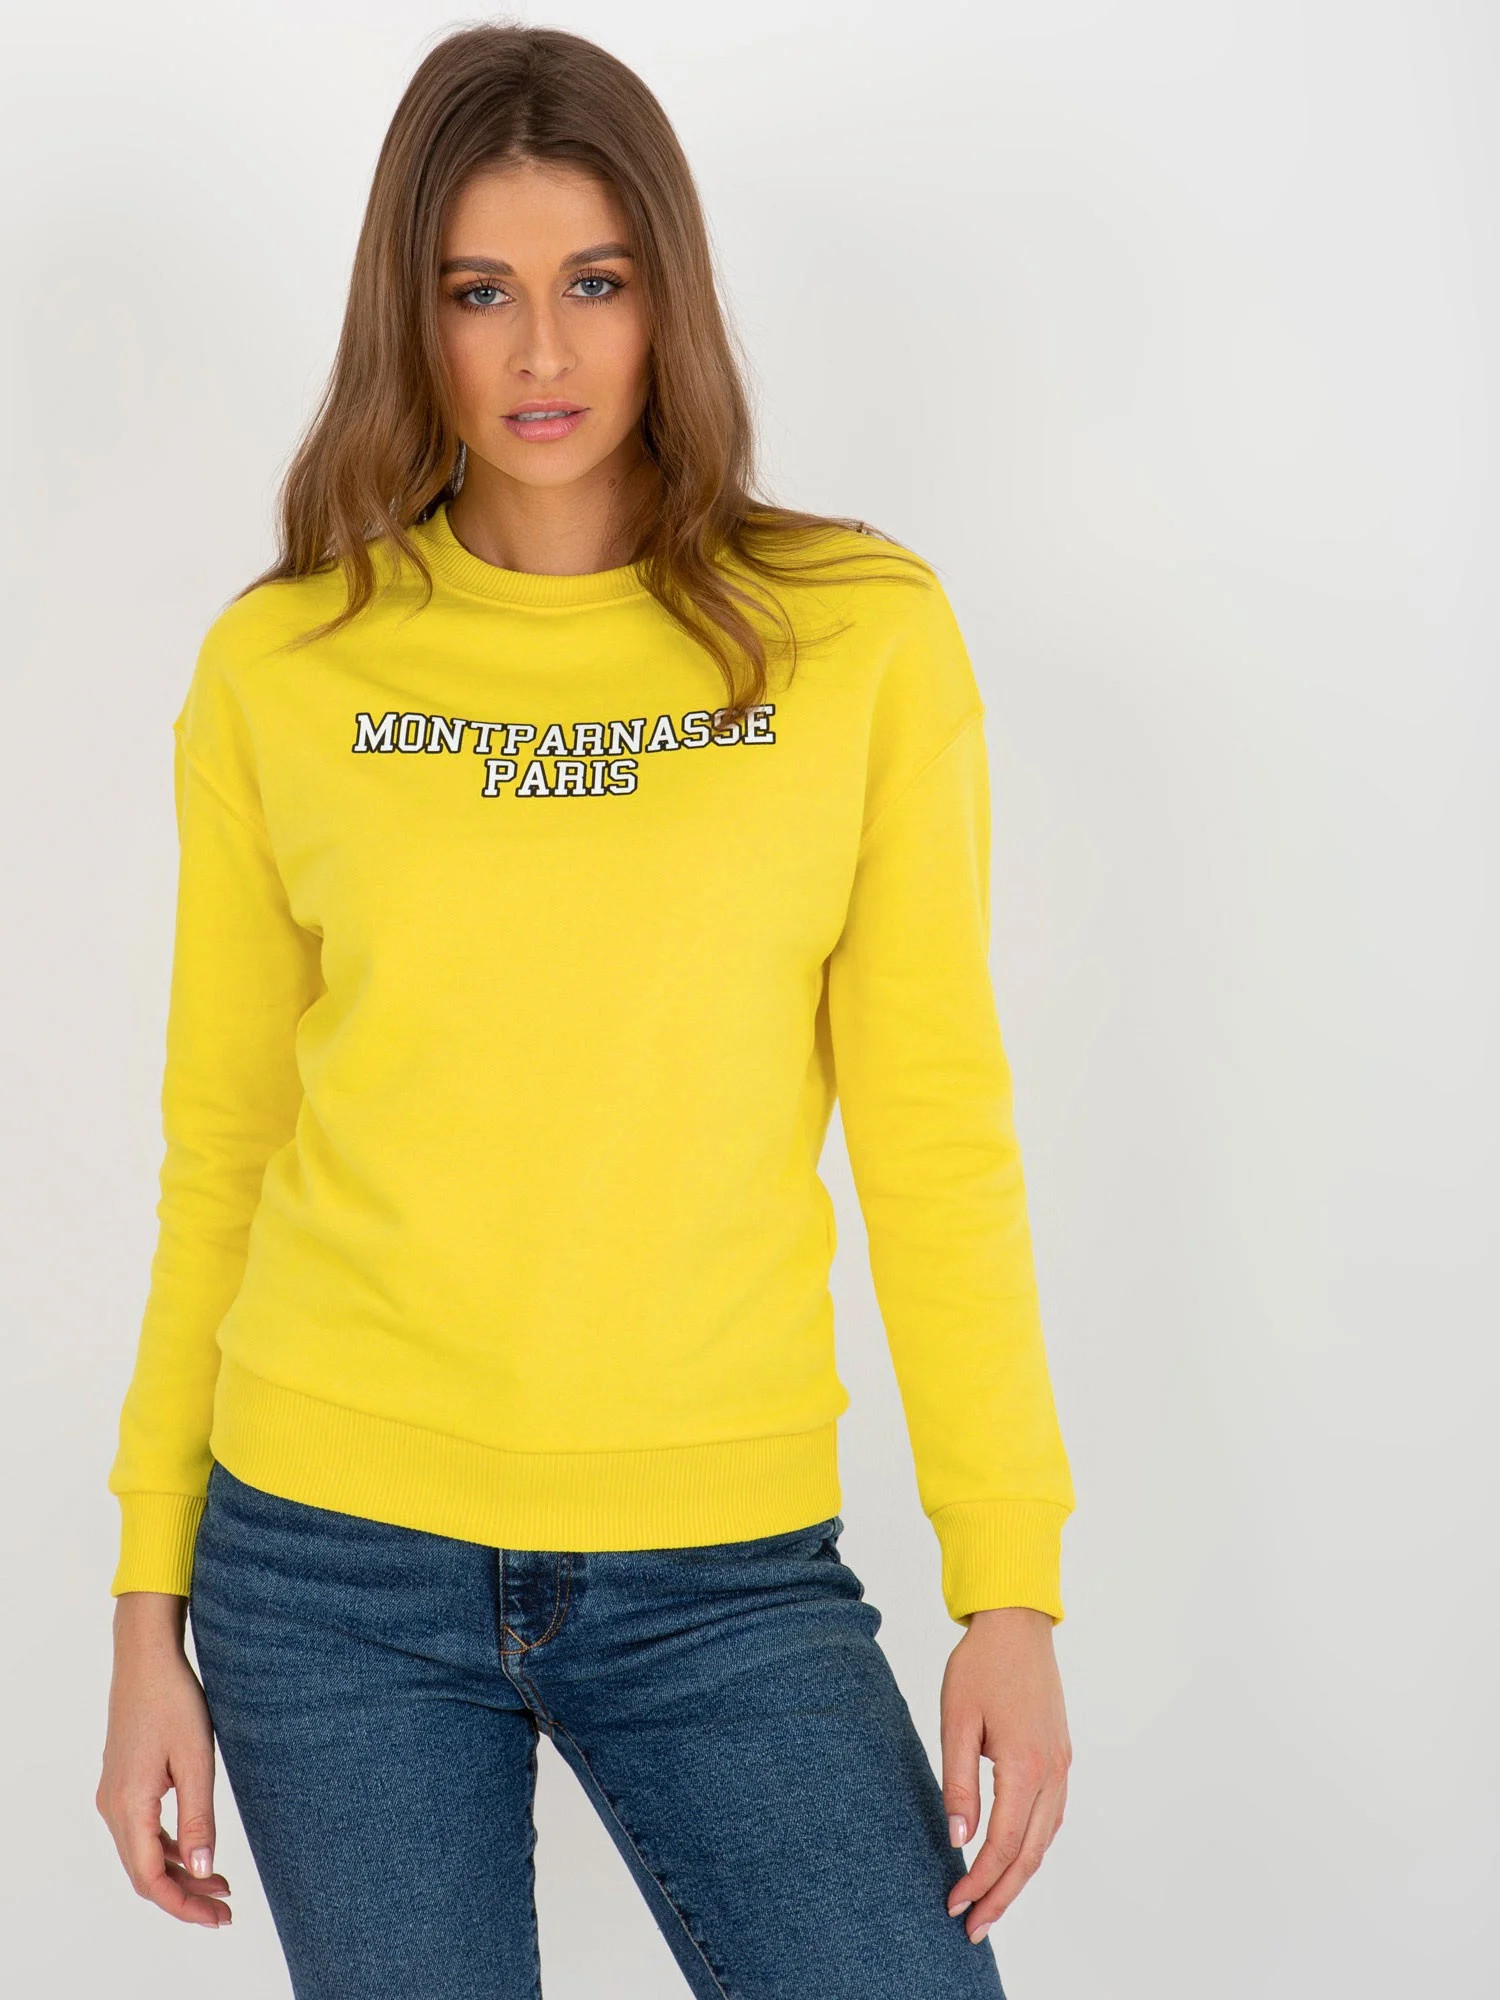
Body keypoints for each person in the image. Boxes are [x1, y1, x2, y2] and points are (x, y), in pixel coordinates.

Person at [95, 22, 1077, 1999]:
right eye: (481, 292)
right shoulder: (287, 667)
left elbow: (939, 1136)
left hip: (725, 1570)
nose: (541, 352)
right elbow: (225, 1151)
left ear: (666, 299)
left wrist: (1010, 1586)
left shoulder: (856, 640)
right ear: (412, 316)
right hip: (329, 1561)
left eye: (595, 283)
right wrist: (144, 1617)